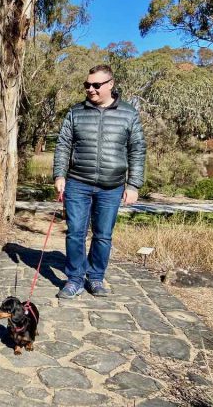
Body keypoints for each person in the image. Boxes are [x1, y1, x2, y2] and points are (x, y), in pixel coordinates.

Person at [52, 64, 146, 299]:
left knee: (103, 235)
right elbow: (63, 144)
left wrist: (133, 185)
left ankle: (95, 278)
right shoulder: (76, 112)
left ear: (110, 84)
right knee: (75, 233)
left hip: (112, 187)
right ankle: (74, 279)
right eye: (87, 85)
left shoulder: (128, 113)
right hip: (77, 183)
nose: (90, 89)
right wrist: (59, 175)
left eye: (96, 85)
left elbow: (137, 149)